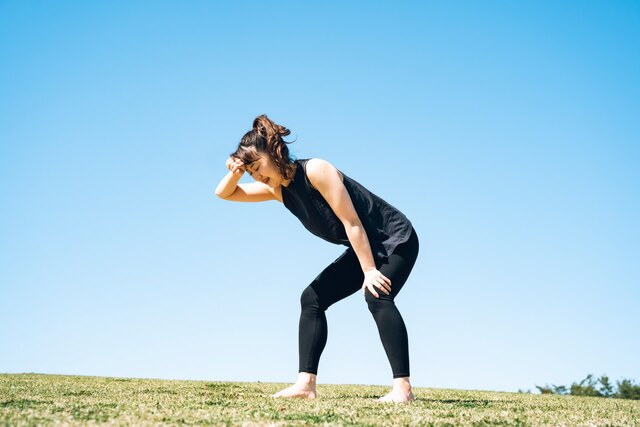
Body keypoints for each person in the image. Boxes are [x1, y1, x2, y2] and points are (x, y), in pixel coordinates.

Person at [214, 114, 420, 403]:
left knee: (376, 295)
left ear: (274, 153)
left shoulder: (316, 171)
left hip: (395, 239)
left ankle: (403, 389)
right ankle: (305, 385)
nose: (257, 176)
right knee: (311, 299)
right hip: (364, 246)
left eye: (257, 167)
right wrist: (236, 172)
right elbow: (225, 193)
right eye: (251, 173)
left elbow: (353, 223)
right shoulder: (277, 190)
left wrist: (370, 271)